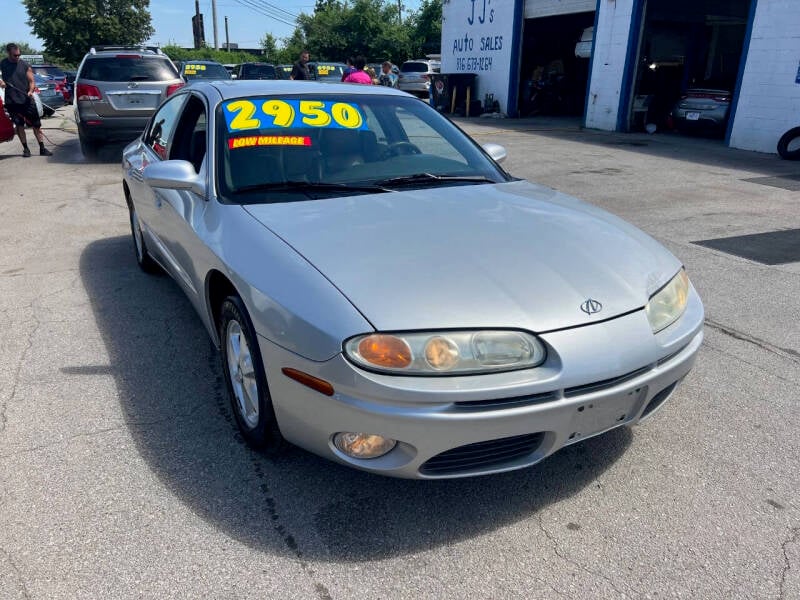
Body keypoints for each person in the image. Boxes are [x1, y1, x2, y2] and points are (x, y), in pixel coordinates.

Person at [0, 43, 52, 157]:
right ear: (9, 53)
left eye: (19, 54)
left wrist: (31, 91)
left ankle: (42, 148)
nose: (18, 57)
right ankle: (26, 149)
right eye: (15, 55)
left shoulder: (24, 64)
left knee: (36, 125)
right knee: (19, 126)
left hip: (26, 100)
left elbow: (32, 81)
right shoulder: (3, 63)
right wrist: (1, 82)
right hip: (12, 101)